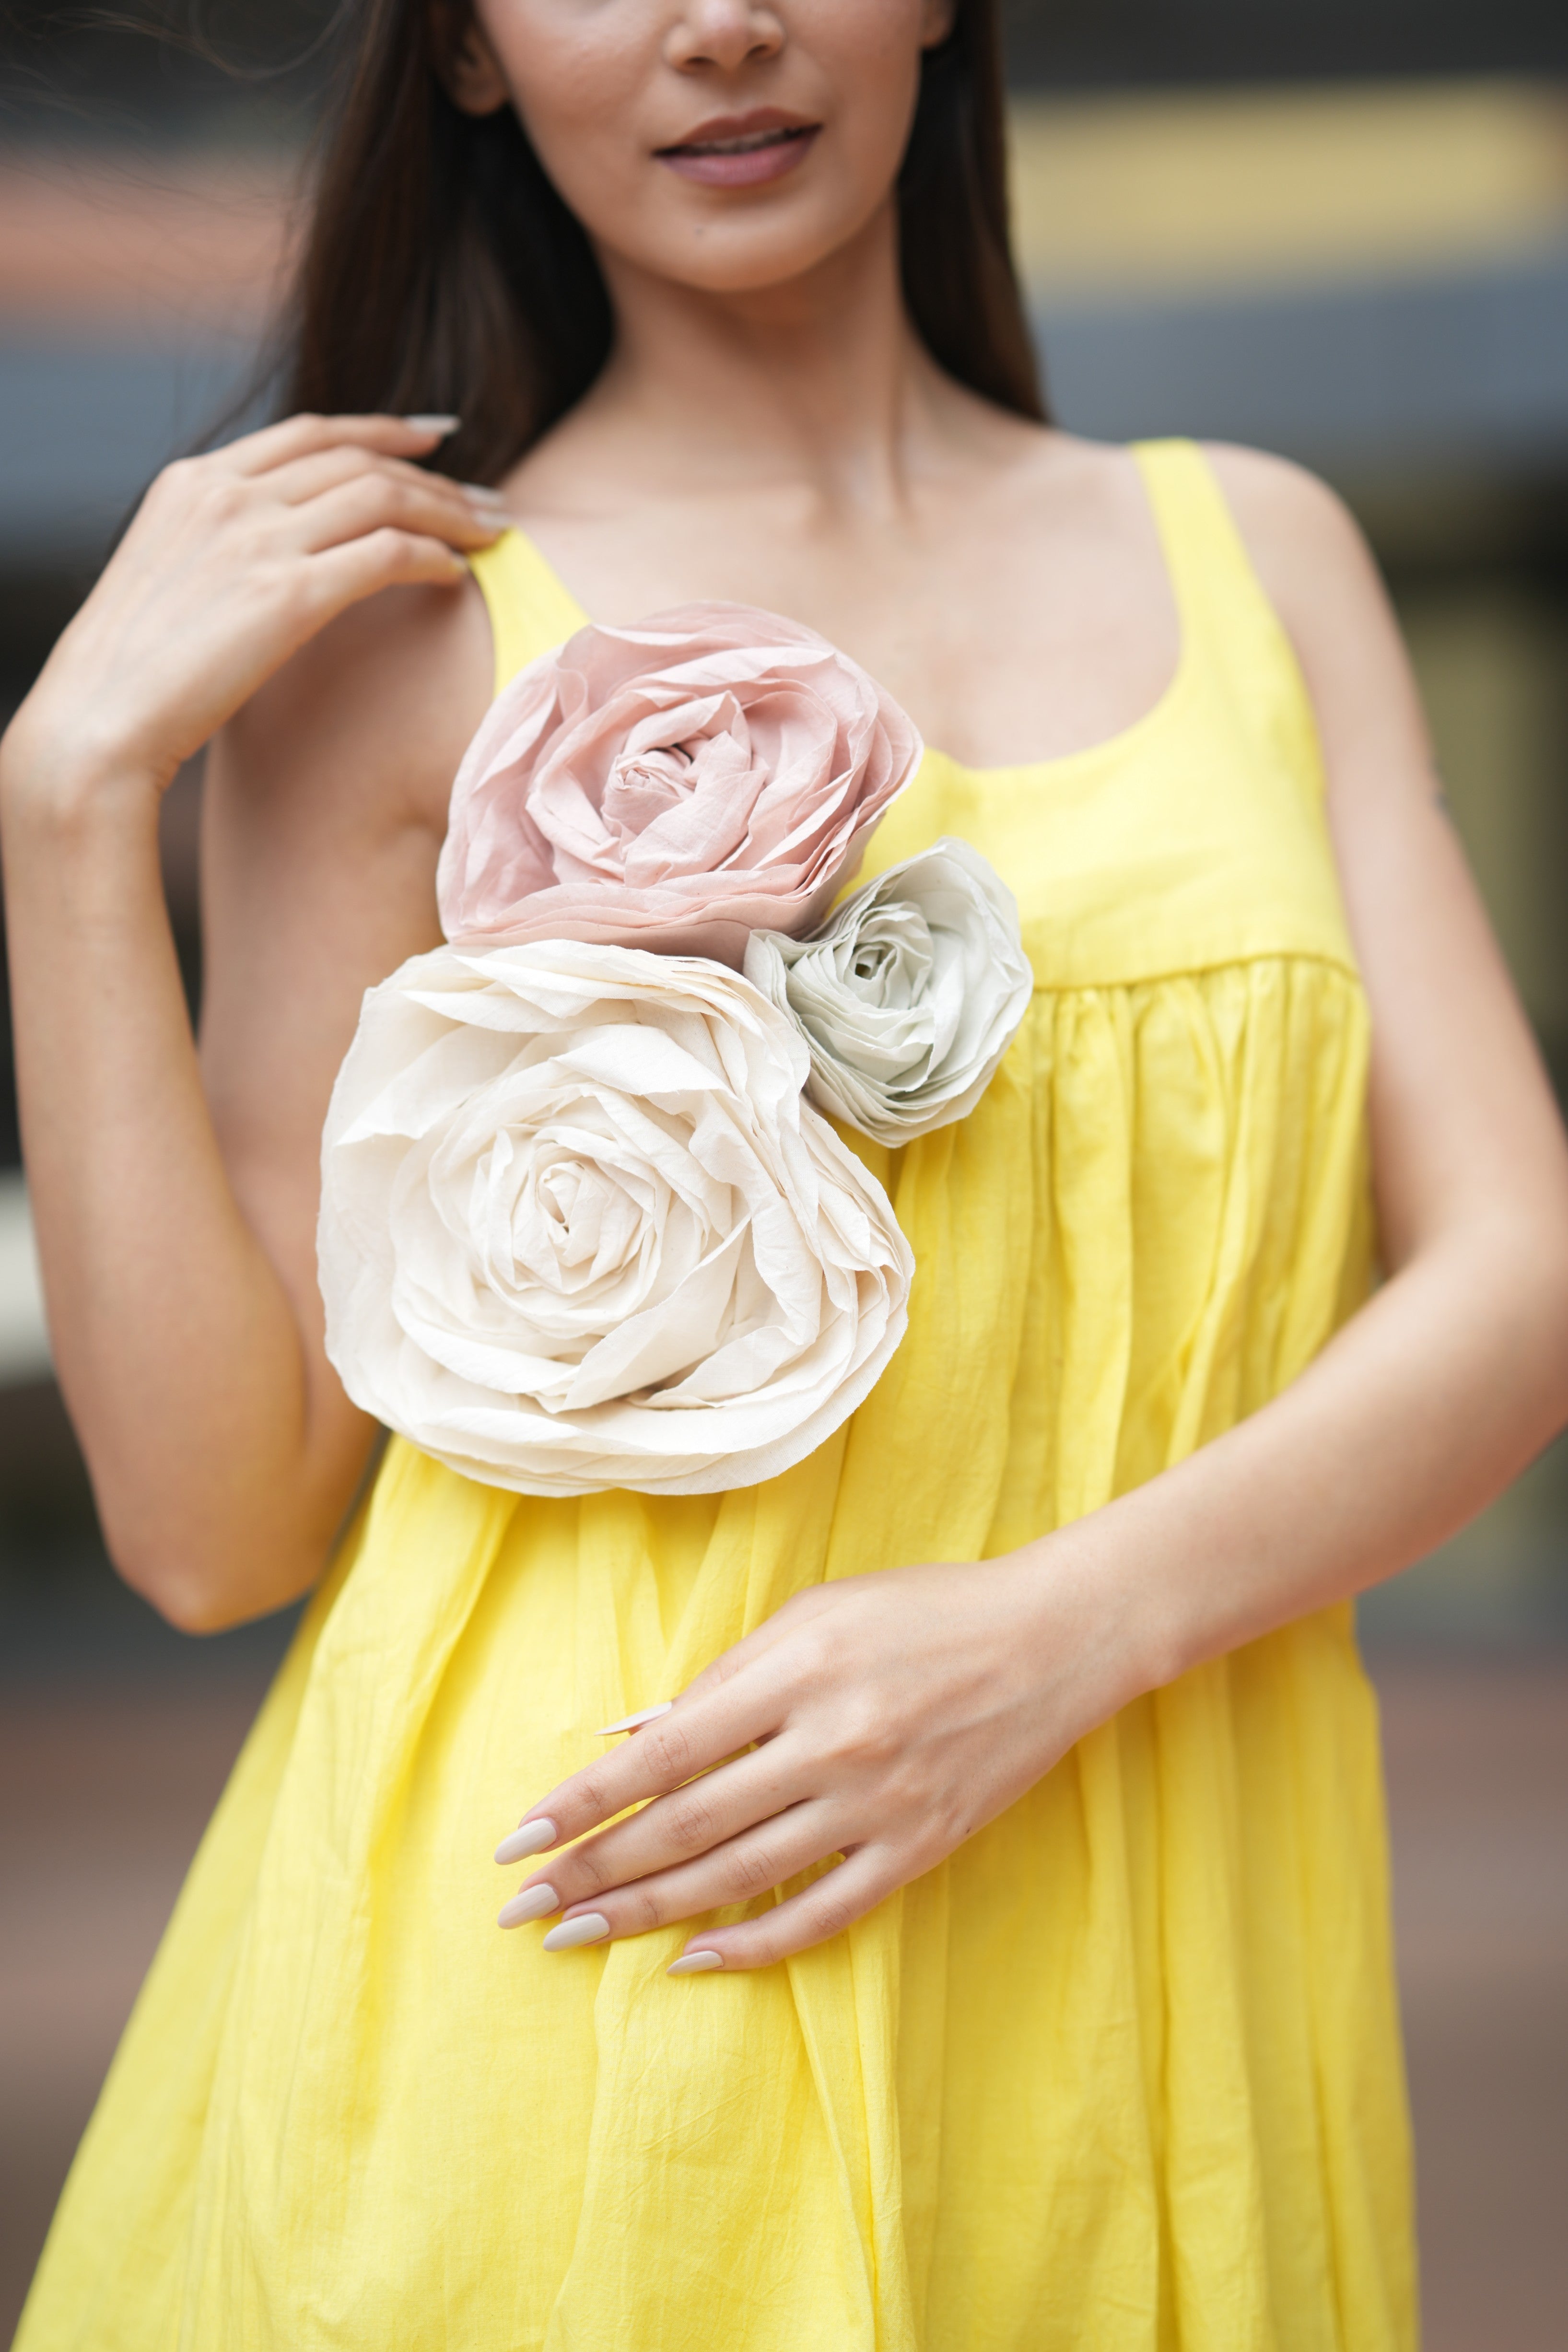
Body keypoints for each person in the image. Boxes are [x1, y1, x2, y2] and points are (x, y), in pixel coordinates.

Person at [6, 2, 1568, 2344]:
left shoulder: (1259, 552)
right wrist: (63, 802)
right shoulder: (402, 638)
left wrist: (1055, 1634)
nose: (720, 22)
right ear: (466, 56)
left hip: (1161, 1970)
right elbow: (216, 1530)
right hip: (618, 1976)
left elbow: (1517, 1277)